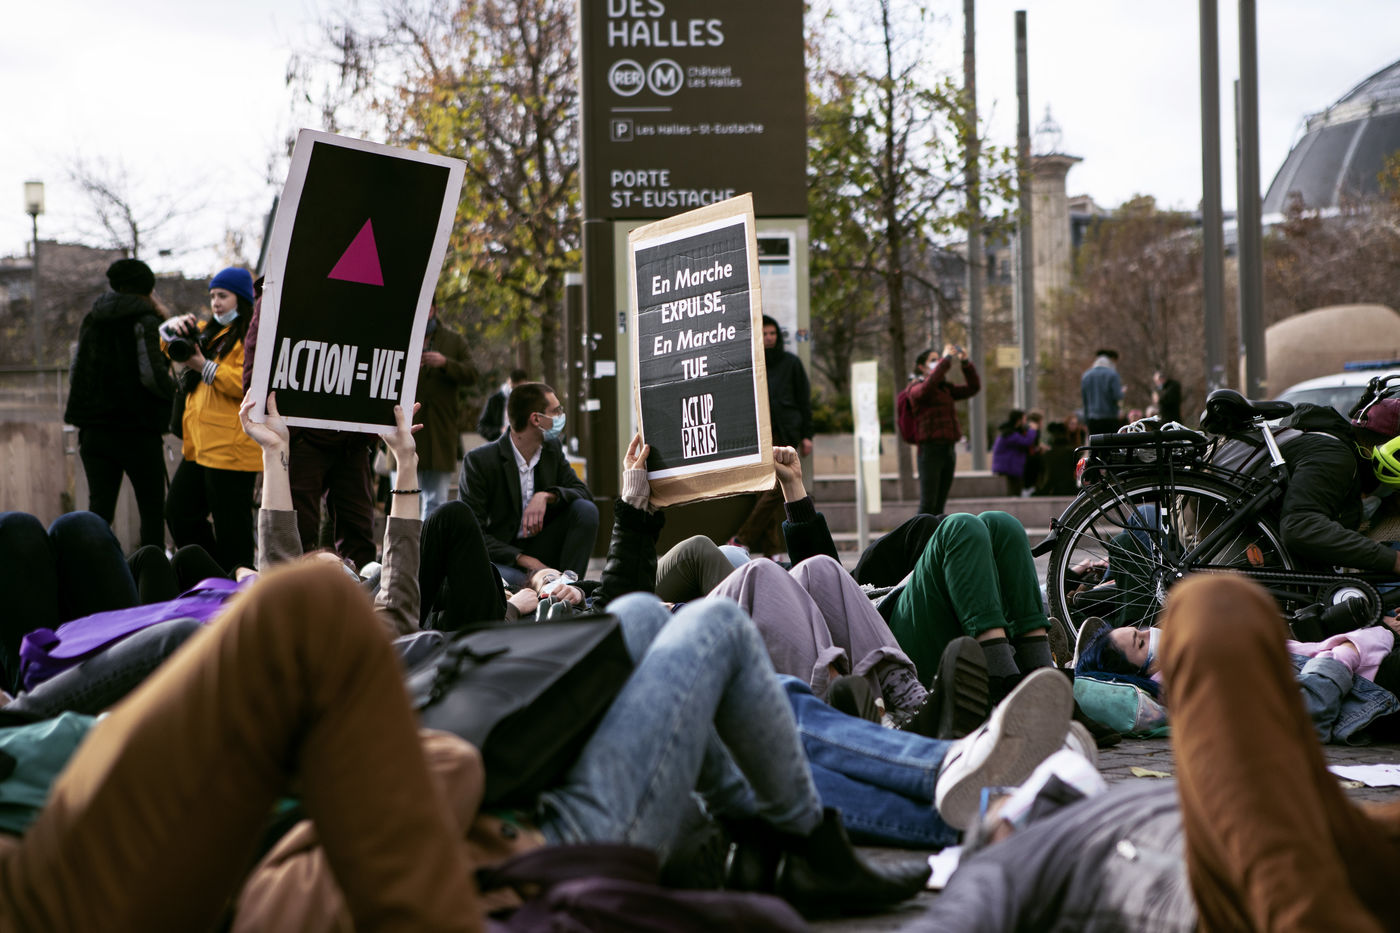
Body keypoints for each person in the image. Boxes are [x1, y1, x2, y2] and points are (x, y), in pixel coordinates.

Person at [919, 573, 1400, 932]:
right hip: (1231, 884)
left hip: (1284, 845)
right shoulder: (1006, 863)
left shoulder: (1078, 809)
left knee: (1208, 607)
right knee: (1208, 607)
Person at [64, 258, 175, 550]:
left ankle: (94, 569)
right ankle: (150, 571)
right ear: (147, 289)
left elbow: (76, 372)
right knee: (151, 509)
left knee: (99, 511)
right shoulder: (146, 321)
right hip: (137, 430)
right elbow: (152, 375)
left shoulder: (92, 319)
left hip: (95, 432)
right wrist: (177, 392)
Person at [161, 267, 262, 573]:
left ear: (240, 298)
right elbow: (166, 343)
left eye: (223, 296)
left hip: (232, 450)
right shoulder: (209, 331)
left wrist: (202, 365)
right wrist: (173, 325)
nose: (216, 302)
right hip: (201, 448)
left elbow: (245, 383)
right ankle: (214, 574)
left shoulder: (251, 335)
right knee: (178, 512)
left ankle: (238, 584)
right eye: (213, 296)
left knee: (232, 529)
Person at [459, 381, 598, 589]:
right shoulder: (479, 462)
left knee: (585, 510)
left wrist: (547, 496)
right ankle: (542, 587)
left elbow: (583, 493)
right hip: (502, 557)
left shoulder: (551, 449)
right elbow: (472, 532)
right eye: (556, 411)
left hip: (541, 547)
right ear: (536, 419)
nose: (561, 416)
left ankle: (568, 588)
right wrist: (524, 560)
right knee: (518, 584)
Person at [731, 317, 814, 556]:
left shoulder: (791, 363)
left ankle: (743, 538)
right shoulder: (754, 363)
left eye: (772, 333)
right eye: (765, 334)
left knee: (776, 488)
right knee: (764, 490)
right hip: (760, 433)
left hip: (786, 432)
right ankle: (772, 552)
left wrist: (807, 435)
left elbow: (803, 400)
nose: (769, 338)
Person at [405, 302, 475, 519]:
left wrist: (446, 363)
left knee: (436, 503)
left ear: (434, 309)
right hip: (406, 430)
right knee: (403, 499)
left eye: (427, 307)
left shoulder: (454, 340)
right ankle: (406, 542)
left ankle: (430, 540)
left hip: (440, 432)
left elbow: (472, 374)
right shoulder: (402, 334)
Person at [900, 344, 981, 517]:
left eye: (938, 359)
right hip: (930, 451)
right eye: (933, 360)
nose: (937, 363)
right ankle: (918, 535)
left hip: (948, 449)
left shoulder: (945, 389)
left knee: (939, 505)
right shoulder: (915, 387)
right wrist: (946, 360)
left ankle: (937, 535)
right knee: (927, 505)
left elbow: (973, 387)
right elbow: (926, 388)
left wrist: (965, 362)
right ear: (921, 367)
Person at [991, 409, 1037, 496]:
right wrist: (1032, 430)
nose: (1026, 422)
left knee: (1015, 491)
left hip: (1011, 466)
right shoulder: (1010, 434)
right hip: (1009, 468)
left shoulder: (1009, 432)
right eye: (1024, 419)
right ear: (1019, 420)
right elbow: (1026, 442)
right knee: (1014, 492)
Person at [1081, 348, 1124, 436]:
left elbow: (1085, 401)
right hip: (1110, 417)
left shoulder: (1086, 376)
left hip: (1092, 419)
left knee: (1095, 443)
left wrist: (1086, 420)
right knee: (1111, 443)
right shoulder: (1112, 374)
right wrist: (1122, 392)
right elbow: (1117, 396)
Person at [476, 367, 526, 442]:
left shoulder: (528, 401)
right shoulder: (494, 401)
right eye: (513, 388)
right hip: (499, 443)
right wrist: (500, 431)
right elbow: (481, 427)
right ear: (509, 383)